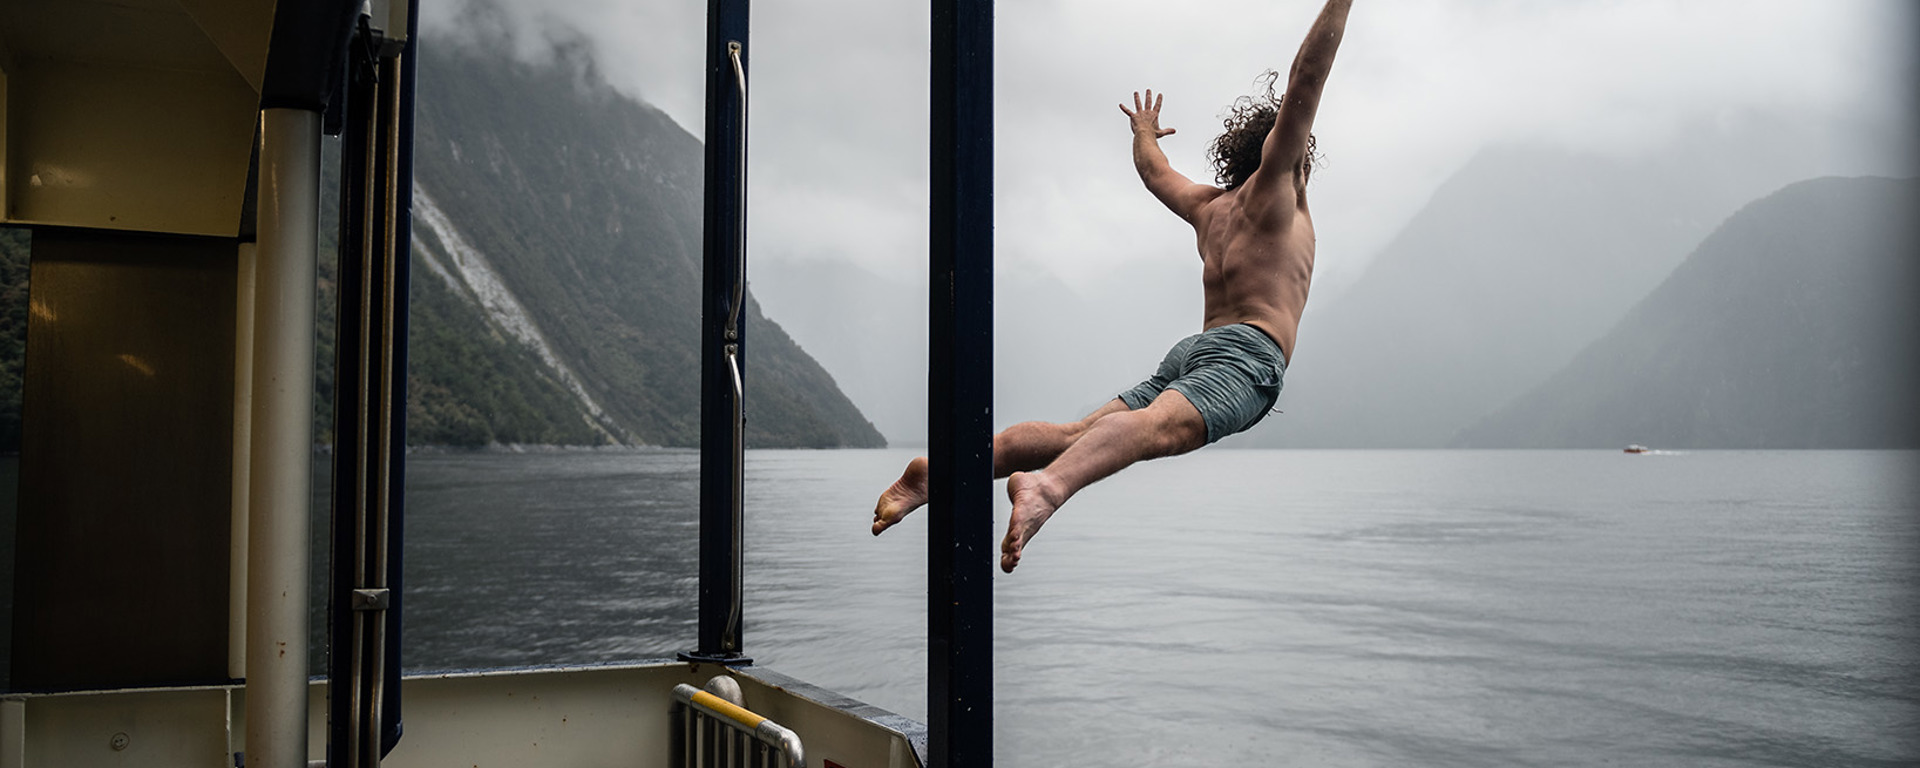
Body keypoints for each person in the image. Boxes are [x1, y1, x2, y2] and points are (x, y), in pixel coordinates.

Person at [874, 0, 1353, 573]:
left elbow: (1154, 171)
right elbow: (1307, 76)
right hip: (1246, 354)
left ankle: (944, 472)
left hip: (1194, 352)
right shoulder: (1278, 189)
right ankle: (1047, 488)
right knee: (1155, 431)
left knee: (1080, 431)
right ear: (1291, 154)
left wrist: (1144, 131)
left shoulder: (1211, 208)